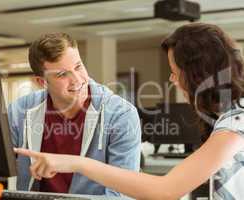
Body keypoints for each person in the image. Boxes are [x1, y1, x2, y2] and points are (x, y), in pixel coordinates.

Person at [15, 23, 244, 199]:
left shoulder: (235, 123)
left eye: (174, 71)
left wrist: (75, 163)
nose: (172, 80)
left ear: (198, 74)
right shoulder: (230, 117)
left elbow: (165, 190)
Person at [0, 32, 141, 196]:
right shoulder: (20, 111)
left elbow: (123, 193)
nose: (77, 80)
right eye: (62, 74)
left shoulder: (121, 115)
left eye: (78, 67)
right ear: (41, 82)